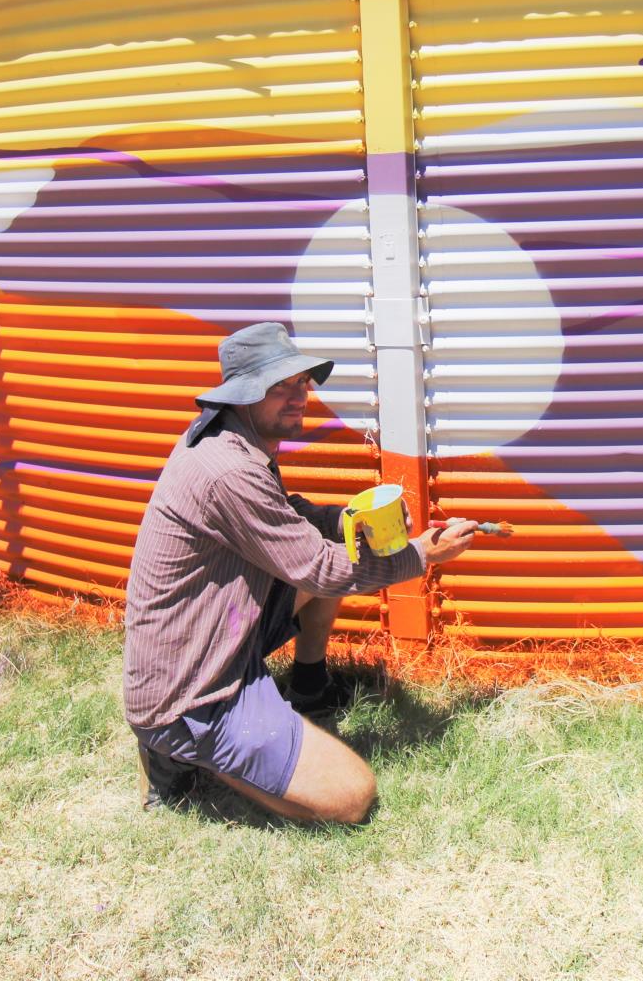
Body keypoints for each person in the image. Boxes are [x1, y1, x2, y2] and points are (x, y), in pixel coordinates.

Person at [123, 322, 480, 823]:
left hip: (218, 635)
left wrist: (343, 519)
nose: (300, 397)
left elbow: (284, 514)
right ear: (243, 394)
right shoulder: (229, 470)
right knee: (352, 798)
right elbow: (321, 571)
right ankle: (183, 750)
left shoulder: (233, 438)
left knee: (340, 540)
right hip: (194, 686)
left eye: (302, 383)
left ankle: (307, 688)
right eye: (280, 387)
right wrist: (421, 555)